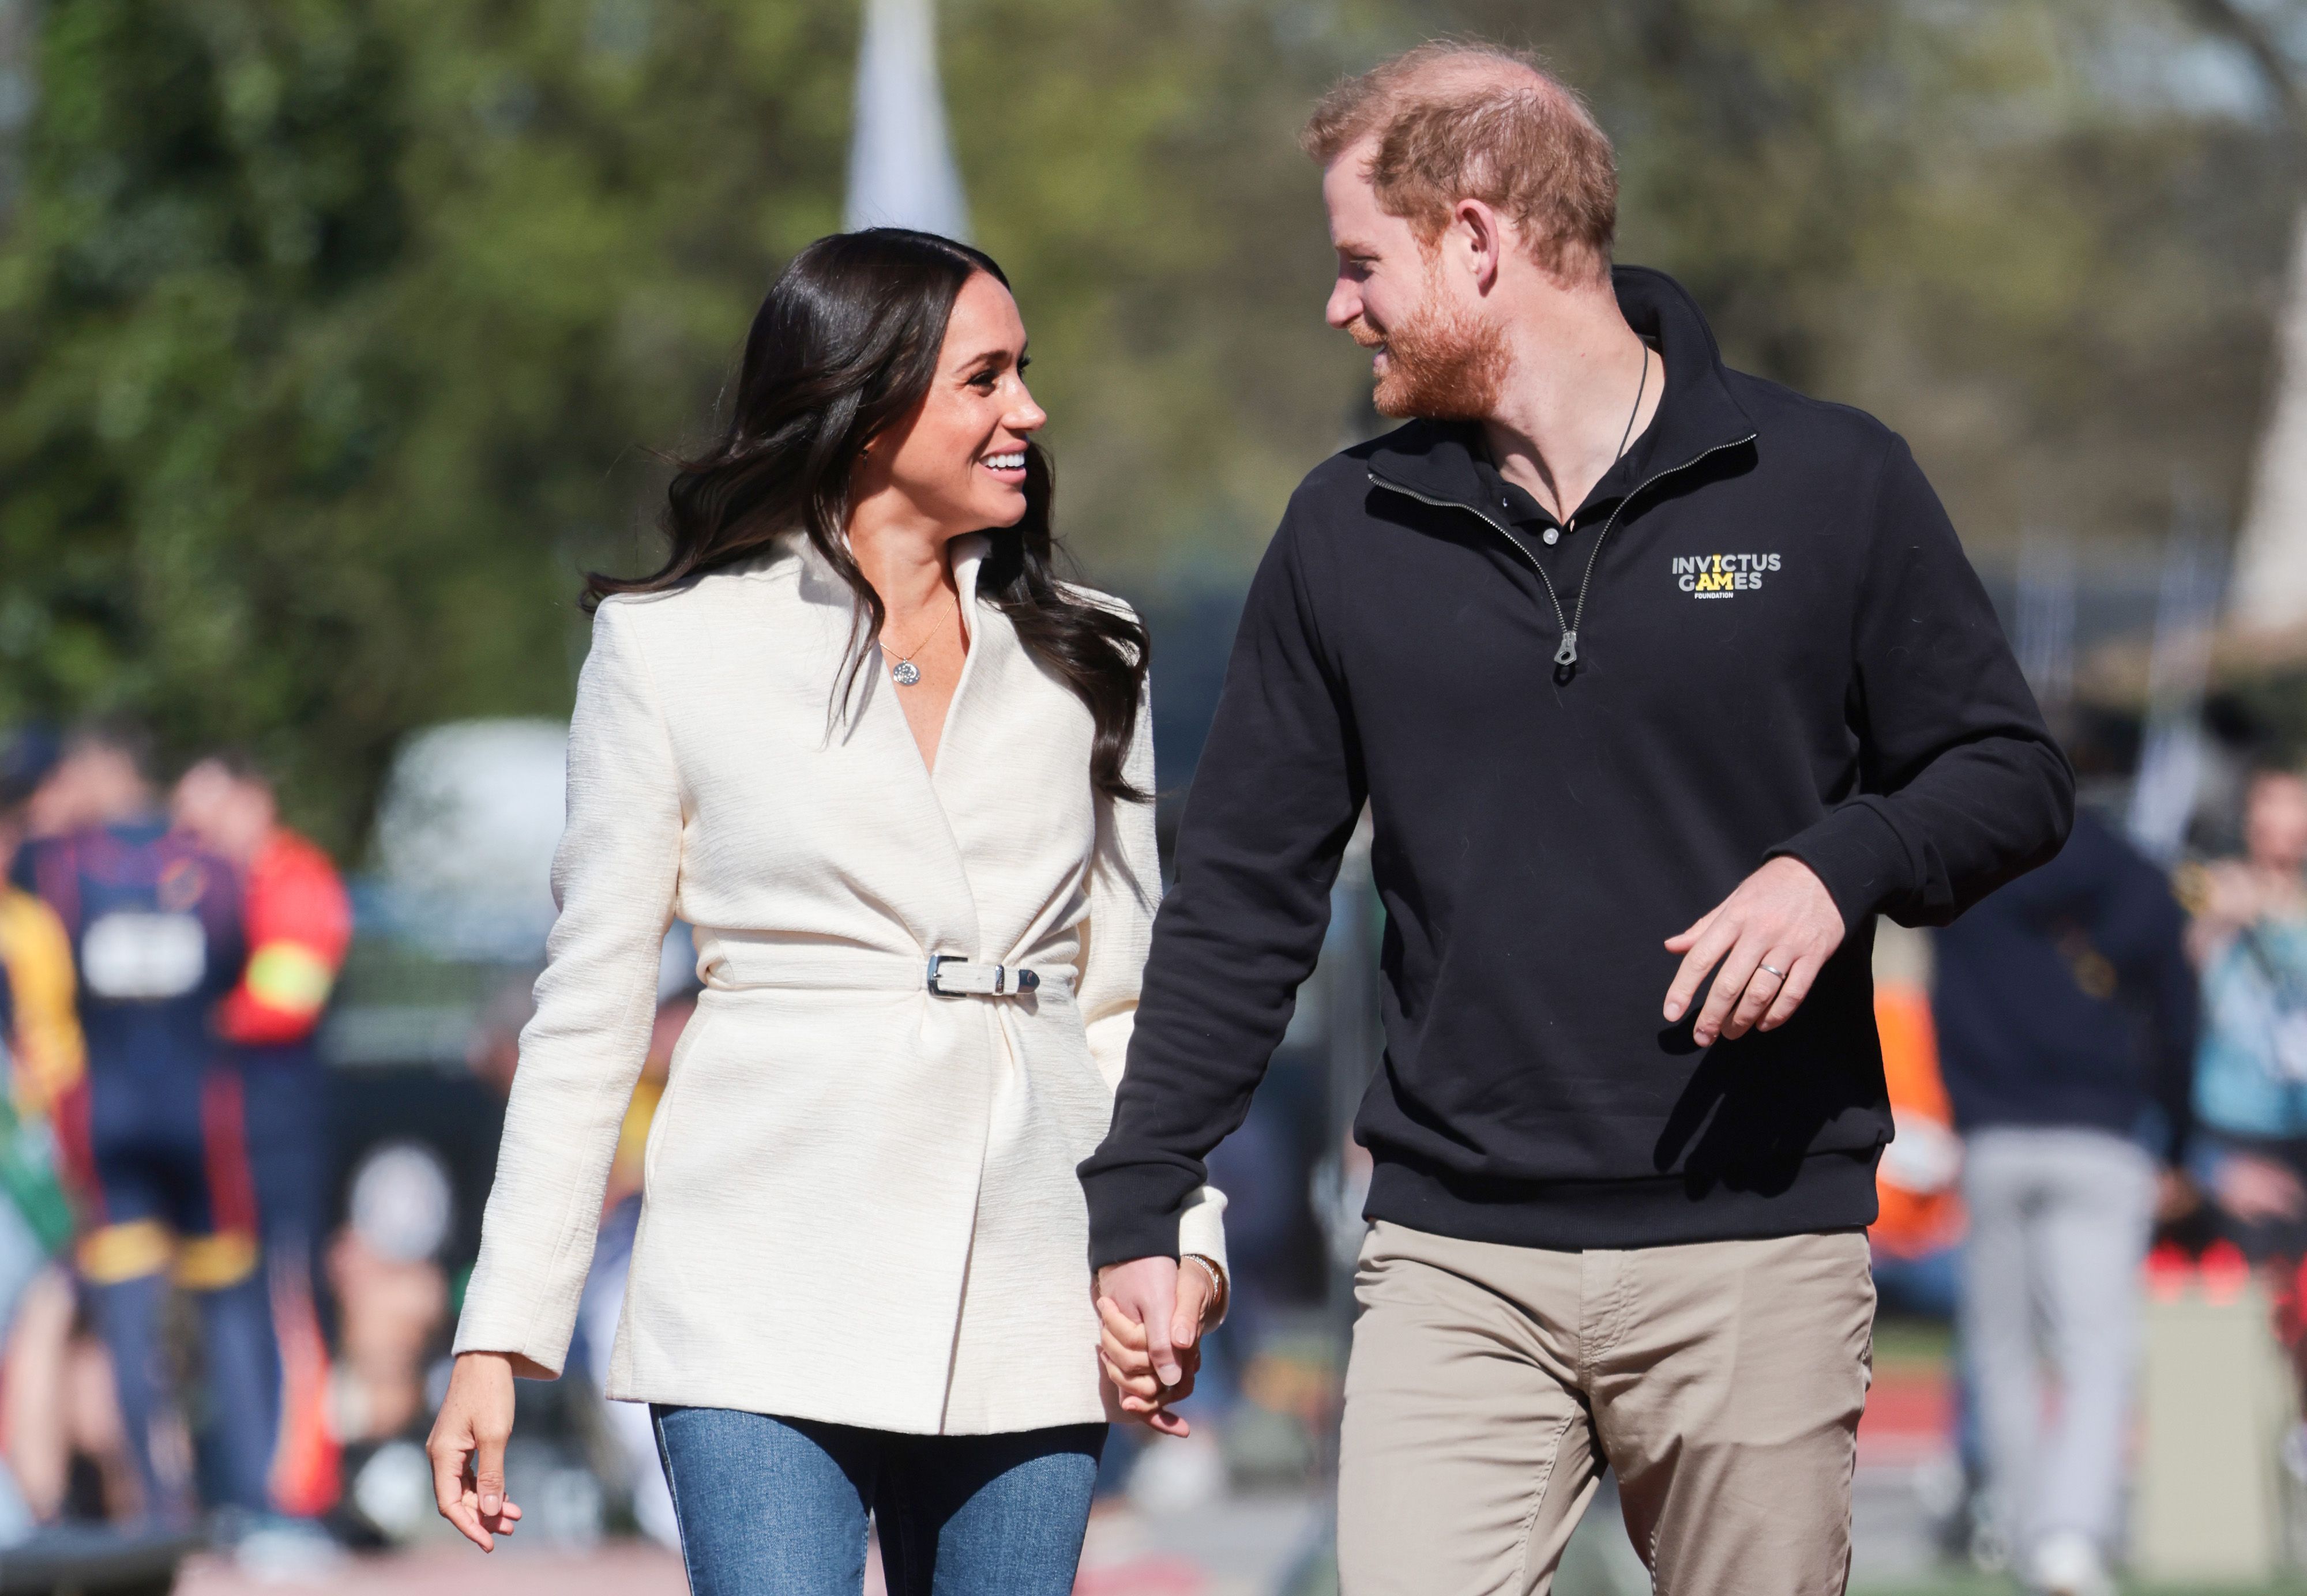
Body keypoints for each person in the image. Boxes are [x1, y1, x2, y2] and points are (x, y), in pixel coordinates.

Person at [1079, 42, 2072, 1595]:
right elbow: (1242, 897)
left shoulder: (1830, 483)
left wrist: (1839, 866)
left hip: (1758, 1244)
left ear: (1477, 239)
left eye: (1360, 261)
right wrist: (1143, 1193)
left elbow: (2008, 774)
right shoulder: (1346, 530)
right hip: (1451, 1259)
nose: (1339, 306)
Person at [425, 229, 1229, 1595]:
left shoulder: (1093, 653)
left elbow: (1127, 1002)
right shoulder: (668, 647)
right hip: (756, 1277)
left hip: (1031, 1276)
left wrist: (1179, 1246)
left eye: (1023, 372)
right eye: (986, 378)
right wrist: (499, 1334)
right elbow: (590, 1014)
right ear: (868, 406)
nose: (1027, 410)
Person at [13, 724, 279, 1527]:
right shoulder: (216, 869)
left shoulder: (57, 865)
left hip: (109, 1115)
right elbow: (239, 966)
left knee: (130, 1319)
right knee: (229, 1309)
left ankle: (160, 1512)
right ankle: (254, 1507)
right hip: (201, 1113)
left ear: (104, 771)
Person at [1932, 807, 2196, 1596]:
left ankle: (2018, 1533)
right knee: (2095, 1350)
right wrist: (2178, 1141)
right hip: (2103, 1136)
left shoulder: (1968, 870)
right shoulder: (2138, 876)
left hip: (1992, 1134)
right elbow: (2179, 1015)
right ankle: (2069, 1539)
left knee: (2001, 1349)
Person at [170, 753, 353, 1519]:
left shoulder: (296, 880)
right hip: (209, 1125)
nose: (192, 837)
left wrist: (188, 1022)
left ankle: (299, 1496)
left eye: (206, 820)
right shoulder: (196, 885)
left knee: (287, 1300)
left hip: (277, 1123)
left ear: (253, 802)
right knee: (218, 1307)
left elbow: (286, 999)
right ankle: (243, 1486)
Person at [2187, 766, 2307, 1439]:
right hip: (2234, 1123)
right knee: (2255, 1289)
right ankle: (2251, 1431)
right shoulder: (2220, 893)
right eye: (2271, 814)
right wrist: (2217, 922)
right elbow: (2179, 984)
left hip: (2298, 1118)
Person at [0, 739, 88, 1543]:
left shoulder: (29, 922)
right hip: (17, 1156)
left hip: (34, 1144)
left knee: (43, 1320)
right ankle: (27, 1510)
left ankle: (36, 1508)